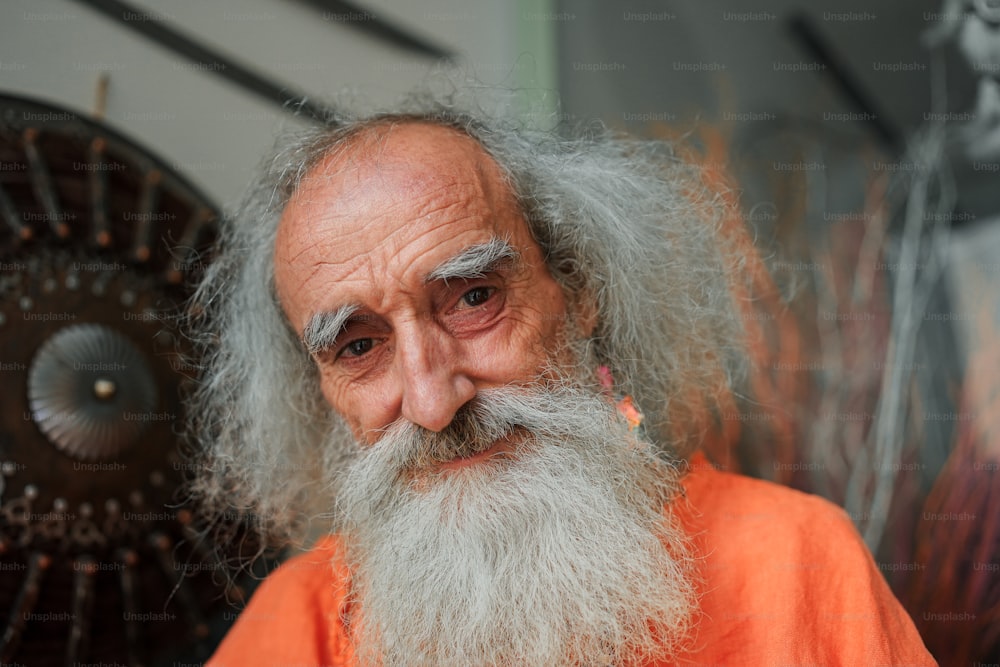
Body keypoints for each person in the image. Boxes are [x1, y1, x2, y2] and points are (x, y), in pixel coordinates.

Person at [188, 94, 936, 666]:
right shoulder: (298, 623)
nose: (432, 399)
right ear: (323, 391)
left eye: (474, 297)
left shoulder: (799, 559)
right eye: (358, 346)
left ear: (577, 288)